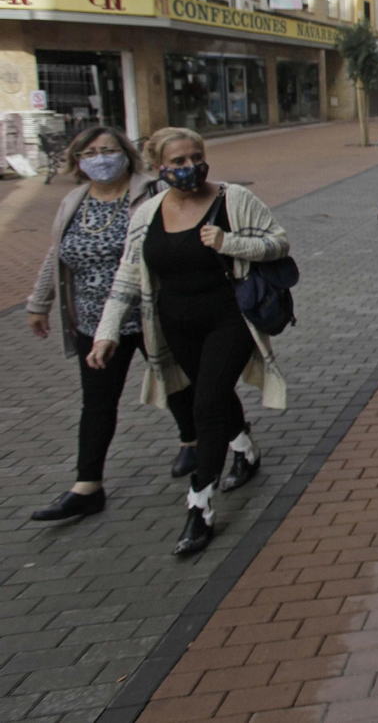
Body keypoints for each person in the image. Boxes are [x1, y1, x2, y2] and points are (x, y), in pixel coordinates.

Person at [90, 127, 290, 555]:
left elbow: (278, 242)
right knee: (211, 396)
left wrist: (229, 242)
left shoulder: (232, 199)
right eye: (177, 162)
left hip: (230, 319)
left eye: (195, 157)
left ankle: (199, 507)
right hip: (174, 323)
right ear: (158, 167)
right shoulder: (146, 213)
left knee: (205, 405)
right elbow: (128, 274)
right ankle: (244, 450)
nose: (189, 168)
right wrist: (107, 332)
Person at [25, 127, 199, 521]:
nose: (100, 158)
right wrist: (39, 303)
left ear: (125, 154)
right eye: (90, 152)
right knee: (97, 402)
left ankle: (193, 439)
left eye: (108, 150)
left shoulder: (151, 191)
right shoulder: (74, 200)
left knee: (174, 380)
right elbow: (58, 253)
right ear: (78, 160)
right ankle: (87, 486)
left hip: (150, 312)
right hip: (92, 321)